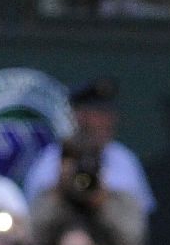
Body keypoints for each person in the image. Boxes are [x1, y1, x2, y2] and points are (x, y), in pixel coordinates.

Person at [21, 79, 156, 217]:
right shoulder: (51, 158)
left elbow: (140, 217)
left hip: (109, 235)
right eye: (99, 114)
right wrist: (62, 188)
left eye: (109, 114)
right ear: (79, 116)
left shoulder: (124, 159)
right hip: (64, 232)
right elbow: (34, 216)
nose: (107, 122)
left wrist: (103, 198)